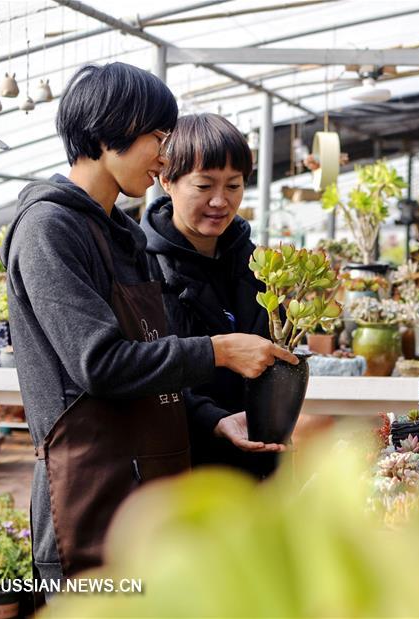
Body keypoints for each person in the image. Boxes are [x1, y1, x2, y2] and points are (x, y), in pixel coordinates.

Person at [1, 63, 297, 583]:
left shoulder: (122, 234)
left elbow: (149, 363)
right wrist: (218, 351)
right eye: (157, 137)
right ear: (105, 132)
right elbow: (101, 364)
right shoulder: (49, 229)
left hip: (150, 499)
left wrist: (212, 419)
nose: (164, 156)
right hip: (91, 506)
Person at [142, 113, 283, 479]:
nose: (220, 201)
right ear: (166, 181)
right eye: (204, 186)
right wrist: (213, 419)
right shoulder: (143, 267)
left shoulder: (257, 263)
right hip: (184, 465)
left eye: (233, 186)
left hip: (259, 460)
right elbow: (147, 370)